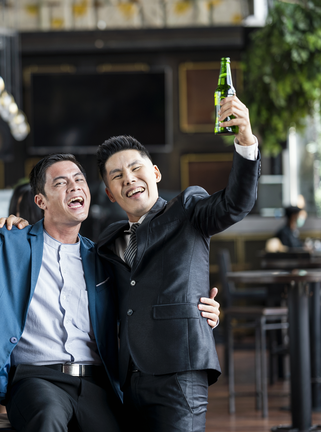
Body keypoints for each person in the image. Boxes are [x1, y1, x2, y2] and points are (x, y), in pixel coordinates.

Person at [0, 154, 220, 432]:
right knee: (48, 418)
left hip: (97, 383)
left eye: (79, 180)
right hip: (36, 380)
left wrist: (199, 310)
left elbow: (146, 299)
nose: (75, 187)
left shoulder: (103, 258)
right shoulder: (9, 241)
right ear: (41, 201)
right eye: (61, 183)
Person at [94, 95, 260, 431]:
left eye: (136, 168)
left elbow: (235, 203)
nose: (128, 178)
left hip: (180, 370)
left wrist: (245, 139)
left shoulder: (189, 208)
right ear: (110, 193)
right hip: (128, 377)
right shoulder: (105, 242)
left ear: (154, 172)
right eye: (117, 175)